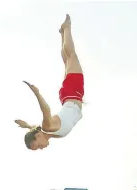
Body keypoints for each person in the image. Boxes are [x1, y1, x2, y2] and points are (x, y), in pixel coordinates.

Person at [15, 14, 84, 150]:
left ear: (38, 137)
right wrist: (27, 126)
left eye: (38, 146)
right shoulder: (47, 132)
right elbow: (35, 128)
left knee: (71, 56)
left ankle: (67, 27)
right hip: (68, 96)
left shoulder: (47, 126)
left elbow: (45, 110)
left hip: (72, 94)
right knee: (67, 61)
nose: (41, 148)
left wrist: (37, 93)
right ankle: (62, 33)